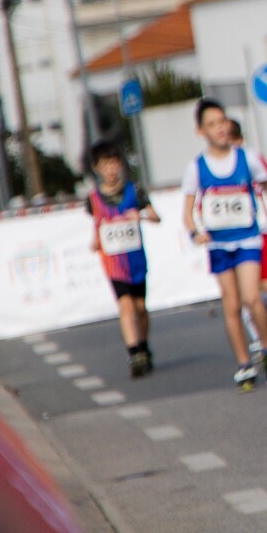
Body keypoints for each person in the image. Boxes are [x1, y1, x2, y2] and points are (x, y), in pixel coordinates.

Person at [180, 99, 267, 391]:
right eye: (213, 124)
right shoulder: (196, 168)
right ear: (200, 131)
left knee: (252, 298)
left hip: (248, 238)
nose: (220, 128)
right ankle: (243, 364)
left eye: (223, 121)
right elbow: (187, 213)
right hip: (218, 244)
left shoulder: (247, 158)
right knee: (231, 304)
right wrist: (195, 233)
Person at [86, 142, 159, 379]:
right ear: (97, 168)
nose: (111, 169)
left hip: (136, 259)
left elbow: (156, 216)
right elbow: (97, 224)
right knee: (125, 306)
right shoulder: (94, 198)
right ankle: (134, 352)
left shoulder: (134, 191)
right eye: (105, 164)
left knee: (140, 307)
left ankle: (144, 345)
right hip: (113, 263)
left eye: (114, 163)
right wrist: (95, 240)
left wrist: (141, 216)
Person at [228, 120, 267, 346]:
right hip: (234, 237)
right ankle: (260, 341)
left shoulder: (251, 159)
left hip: (261, 230)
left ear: (239, 140)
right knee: (248, 294)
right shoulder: (210, 166)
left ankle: (265, 319)